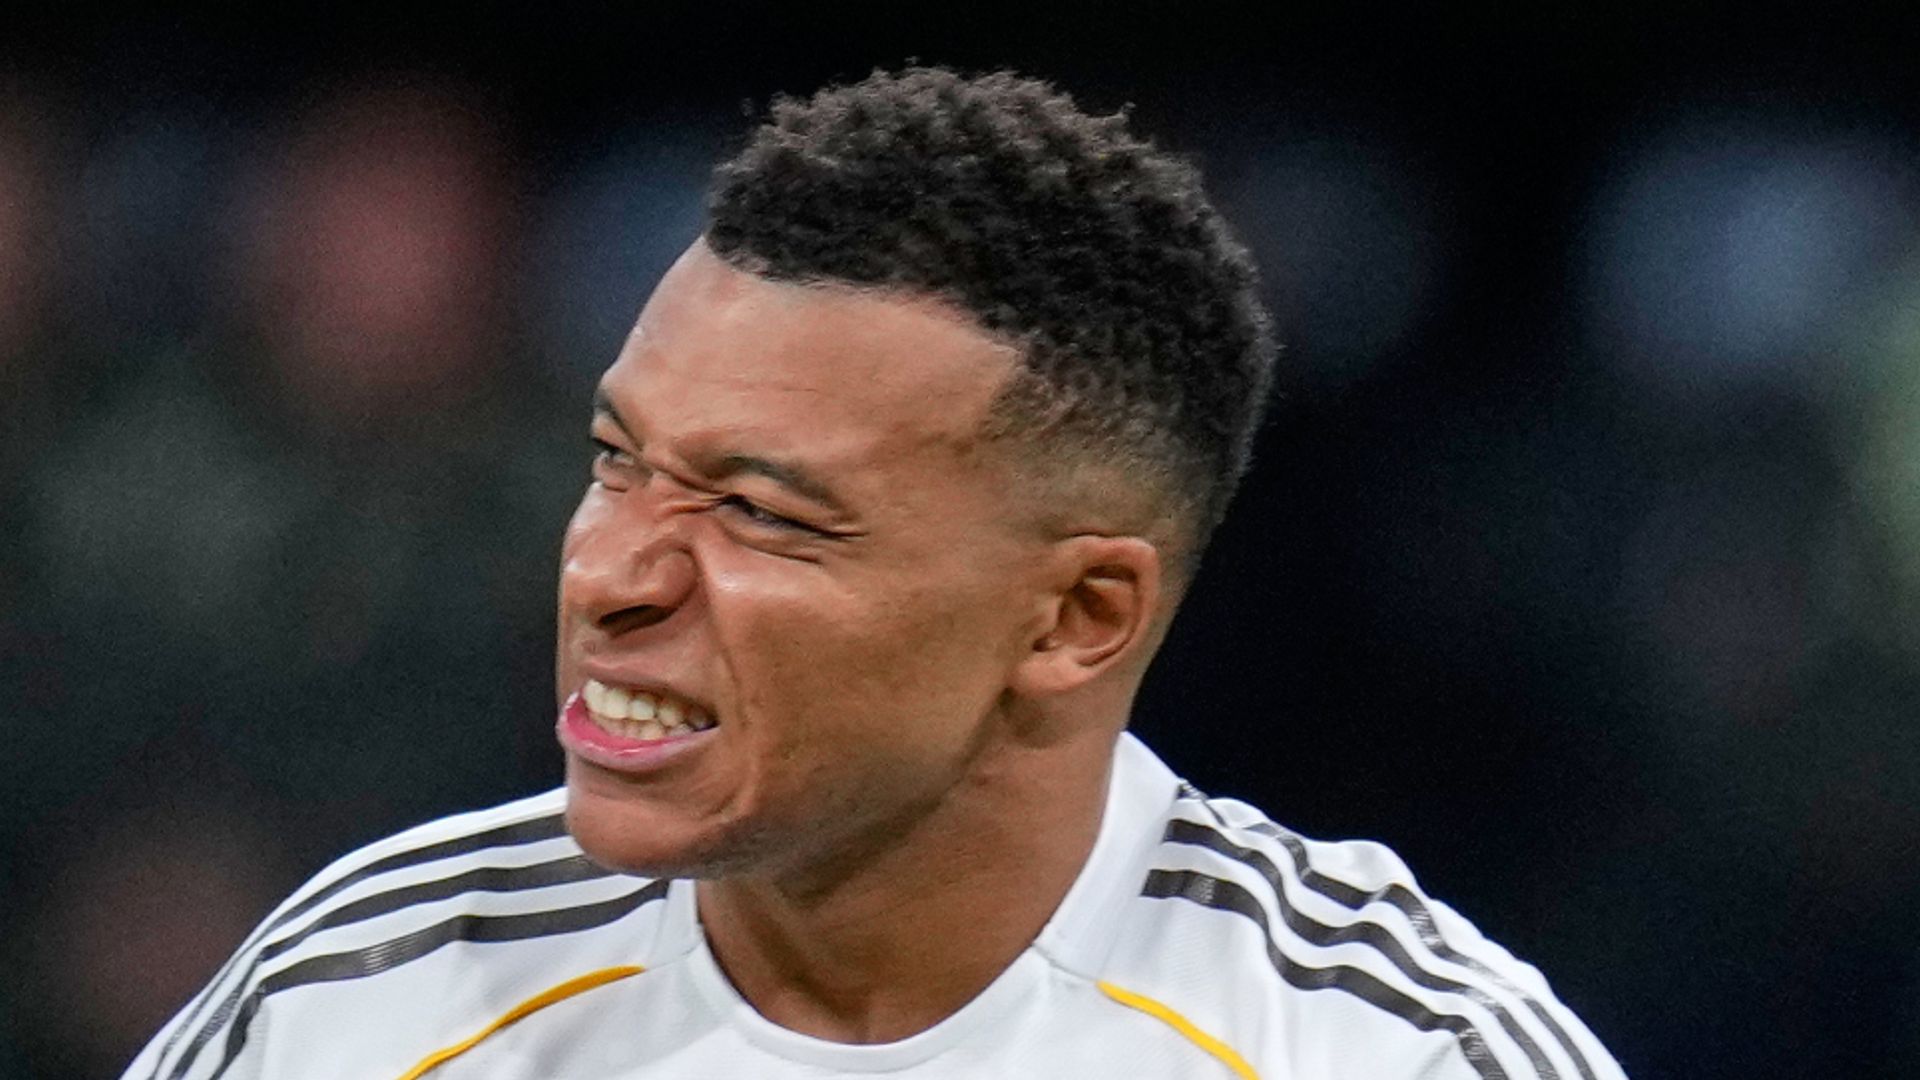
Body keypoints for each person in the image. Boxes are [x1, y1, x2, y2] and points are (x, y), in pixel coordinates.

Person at [124, 67, 1626, 1079]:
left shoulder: (1389, 1052)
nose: (612, 574)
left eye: (759, 512)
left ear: (1078, 618)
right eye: (617, 461)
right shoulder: (360, 1002)